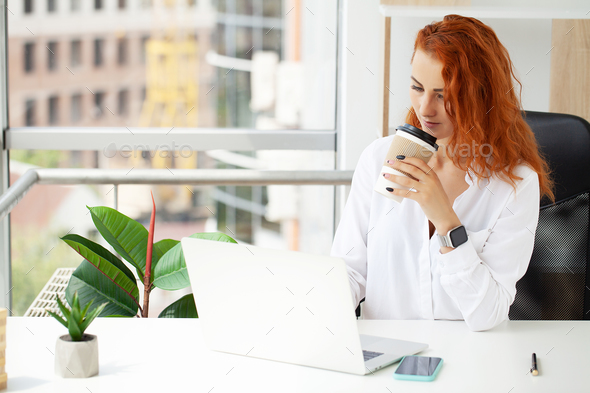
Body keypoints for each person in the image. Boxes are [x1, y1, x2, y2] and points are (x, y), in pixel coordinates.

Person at [331, 15, 554, 332]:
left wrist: (446, 220)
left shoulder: (514, 184)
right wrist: (314, 310)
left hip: (470, 360)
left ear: (480, 95)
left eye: (443, 94)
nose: (424, 108)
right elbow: (350, 272)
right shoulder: (380, 159)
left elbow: (487, 314)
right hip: (386, 355)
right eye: (417, 88)